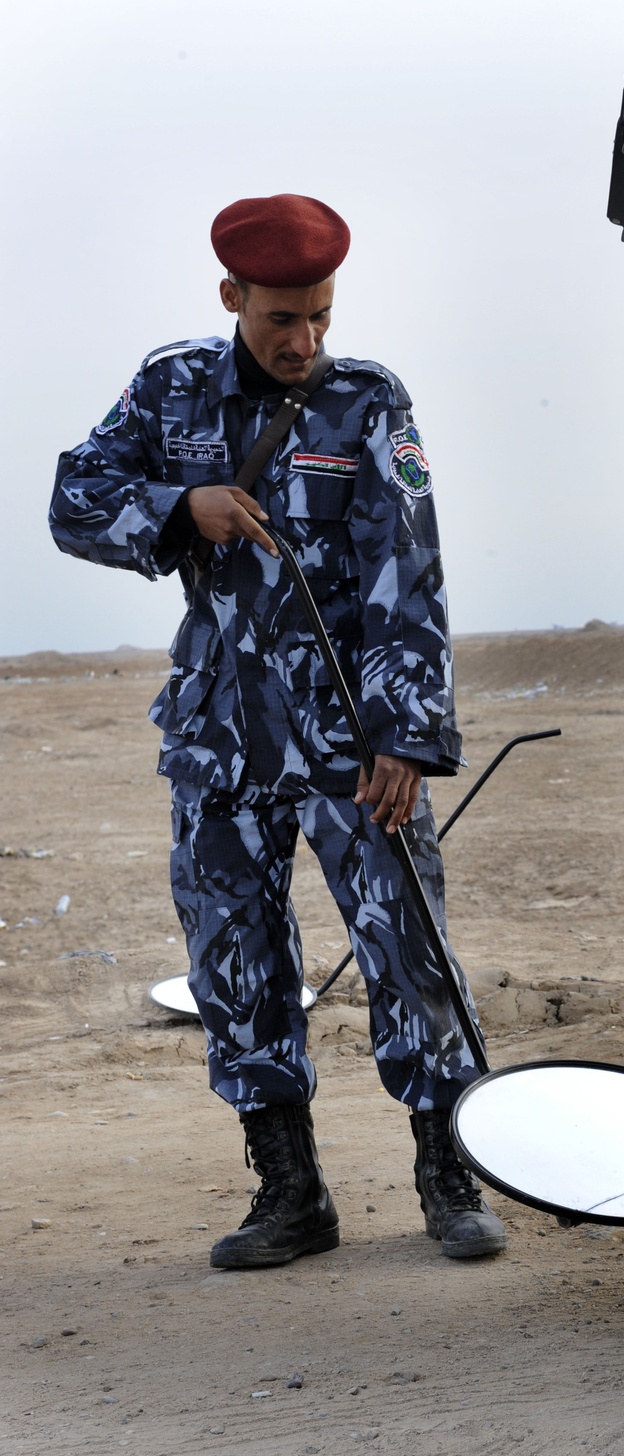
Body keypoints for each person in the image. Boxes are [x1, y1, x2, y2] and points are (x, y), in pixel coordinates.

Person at [50, 193, 506, 1269]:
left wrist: (405, 737)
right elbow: (73, 498)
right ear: (231, 299)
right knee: (235, 961)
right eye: (280, 321)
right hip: (219, 738)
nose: (302, 342)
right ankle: (290, 1194)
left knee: (409, 951)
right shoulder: (171, 388)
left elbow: (411, 571)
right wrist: (179, 508)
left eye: (319, 318)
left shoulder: (367, 403)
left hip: (355, 743)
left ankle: (448, 1175)